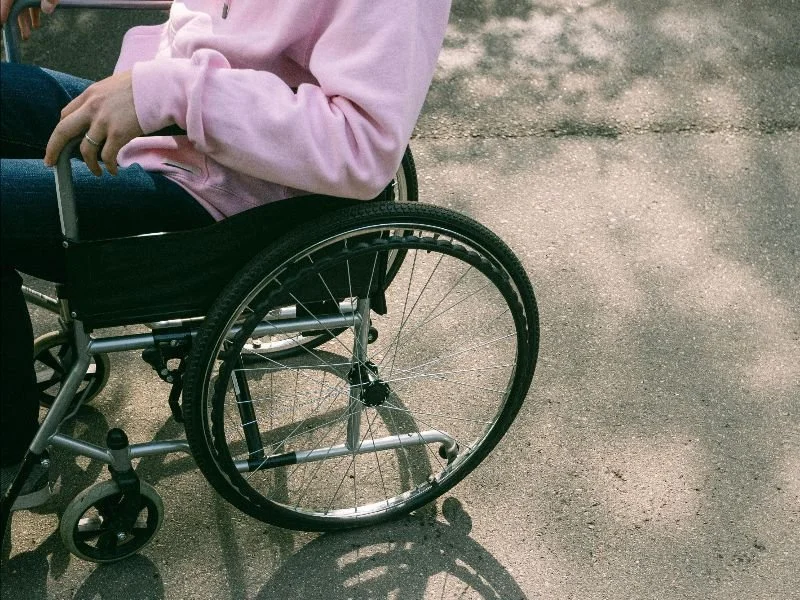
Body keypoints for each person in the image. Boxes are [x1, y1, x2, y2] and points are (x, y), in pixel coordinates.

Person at [0, 0, 452, 507]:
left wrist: (170, 92)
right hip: (168, 120)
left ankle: (6, 450)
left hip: (232, 192)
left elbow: (361, 146)